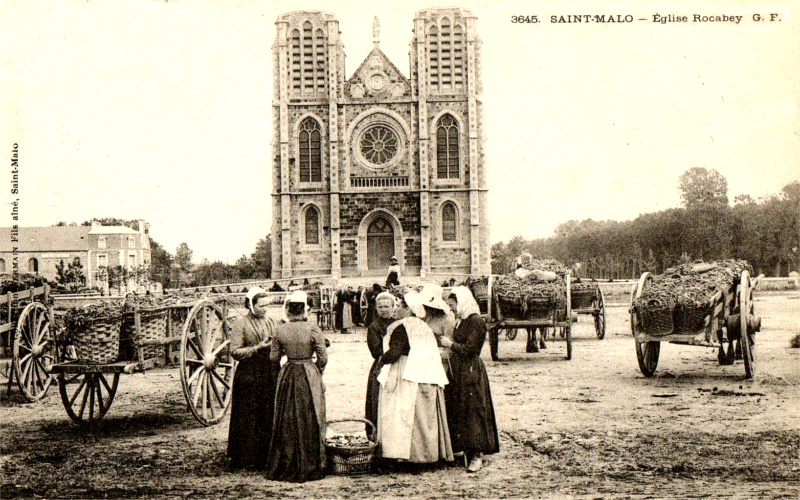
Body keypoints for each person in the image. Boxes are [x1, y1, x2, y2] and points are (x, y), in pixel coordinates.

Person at [377, 291, 454, 464]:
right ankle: (428, 454)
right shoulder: (423, 327)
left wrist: (383, 359)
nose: (396, 309)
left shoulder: (402, 327)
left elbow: (395, 352)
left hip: (406, 372)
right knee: (424, 415)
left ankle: (408, 456)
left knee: (404, 413)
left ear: (409, 309)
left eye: (400, 306)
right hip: (425, 374)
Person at [266, 291, 328, 483]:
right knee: (311, 415)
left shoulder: (279, 330)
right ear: (304, 310)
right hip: (308, 372)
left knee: (287, 418)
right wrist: (316, 369)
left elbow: (273, 358)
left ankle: (287, 462)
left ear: (288, 310)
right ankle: (311, 463)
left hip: (289, 372)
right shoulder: (313, 329)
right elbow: (324, 357)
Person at [440, 286, 500, 472]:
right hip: (458, 369)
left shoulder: (476, 321)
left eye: (453, 305)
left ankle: (476, 454)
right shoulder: (461, 320)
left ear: (462, 302)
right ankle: (464, 449)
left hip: (470, 369)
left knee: (473, 410)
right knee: (460, 408)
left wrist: (450, 345)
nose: (451, 309)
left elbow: (471, 349)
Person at [227, 287, 279, 469]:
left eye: (266, 306)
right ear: (250, 305)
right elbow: (234, 352)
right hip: (249, 373)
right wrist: (257, 348)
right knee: (249, 414)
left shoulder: (272, 322)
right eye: (261, 306)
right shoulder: (240, 324)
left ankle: (266, 455)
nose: (264, 309)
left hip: (270, 372)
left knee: (268, 412)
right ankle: (246, 456)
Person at [365, 291, 396, 429]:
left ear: (393, 307)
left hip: (397, 365)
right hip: (382, 365)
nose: (384, 310)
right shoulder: (374, 327)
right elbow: (376, 351)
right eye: (380, 307)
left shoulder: (398, 323)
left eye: (386, 306)